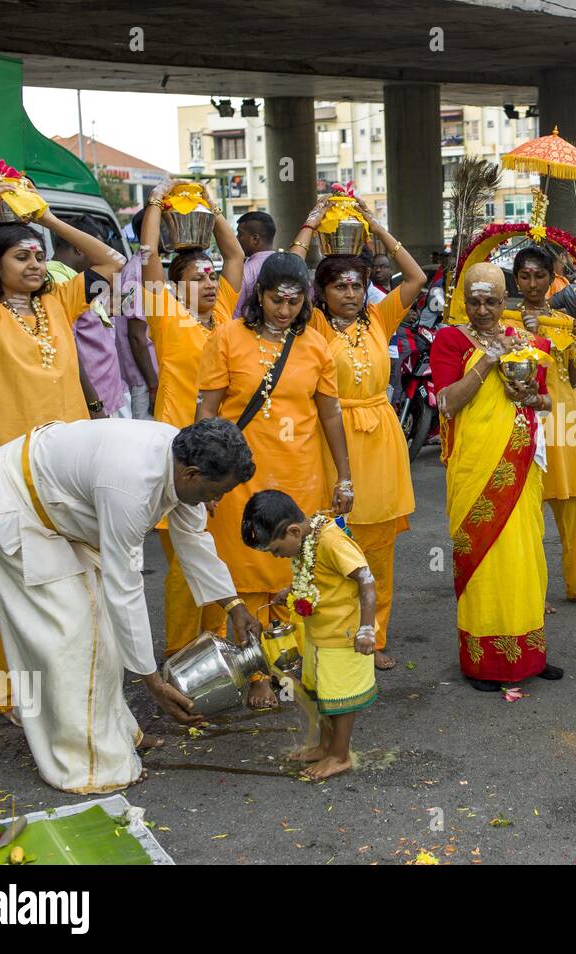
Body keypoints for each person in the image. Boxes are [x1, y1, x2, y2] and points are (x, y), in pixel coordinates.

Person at [0, 417, 262, 792]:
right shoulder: (132, 486)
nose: (218, 500)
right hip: (16, 505)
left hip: (61, 512)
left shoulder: (180, 460)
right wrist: (152, 682)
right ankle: (81, 766)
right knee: (72, 640)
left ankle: (113, 737)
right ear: (192, 474)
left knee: (103, 630)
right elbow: (125, 586)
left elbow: (194, 540)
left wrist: (235, 606)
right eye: (219, 490)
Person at [0, 175, 126, 717]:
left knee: (74, 569)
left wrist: (43, 218)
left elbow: (111, 260)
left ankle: (74, 681)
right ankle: (13, 692)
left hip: (68, 466)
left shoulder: (62, 303)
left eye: (39, 256)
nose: (36, 264)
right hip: (9, 467)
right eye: (21, 256)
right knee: (10, 579)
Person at [196, 251, 354, 708]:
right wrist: (206, 478)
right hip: (237, 477)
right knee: (244, 572)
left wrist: (344, 476)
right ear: (258, 295)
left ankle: (289, 663)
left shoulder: (315, 345)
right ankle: (255, 675)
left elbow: (330, 414)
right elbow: (207, 411)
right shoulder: (226, 338)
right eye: (275, 301)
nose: (283, 311)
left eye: (293, 302)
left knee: (293, 572)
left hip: (297, 475)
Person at [293, 194, 427, 670]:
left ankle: (375, 633)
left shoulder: (377, 317)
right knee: (334, 536)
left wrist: (376, 225)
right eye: (340, 286)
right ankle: (332, 628)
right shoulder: (308, 325)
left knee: (381, 544)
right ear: (322, 291)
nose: (350, 293)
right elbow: (289, 274)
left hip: (382, 434)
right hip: (335, 437)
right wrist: (309, 227)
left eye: (357, 285)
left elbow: (417, 278)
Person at [432, 262, 563, 691]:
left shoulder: (524, 343)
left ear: (504, 301)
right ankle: (484, 662)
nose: (483, 309)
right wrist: (487, 361)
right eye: (475, 301)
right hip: (477, 467)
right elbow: (448, 403)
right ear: (463, 302)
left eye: (492, 301)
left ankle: (531, 651)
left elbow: (545, 400)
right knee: (486, 561)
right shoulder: (451, 339)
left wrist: (531, 393)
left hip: (521, 465)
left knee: (527, 556)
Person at [135, 178, 245, 656]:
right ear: (175, 285)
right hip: (178, 456)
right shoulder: (166, 314)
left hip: (222, 453)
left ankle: (216, 644)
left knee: (217, 555)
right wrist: (157, 204)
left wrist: (211, 207)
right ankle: (181, 651)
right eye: (197, 277)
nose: (207, 283)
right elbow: (147, 258)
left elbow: (236, 256)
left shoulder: (223, 316)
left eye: (209, 276)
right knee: (184, 562)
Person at [244, 490, 378, 781]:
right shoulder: (308, 539)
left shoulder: (331, 541)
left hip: (344, 636)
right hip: (319, 635)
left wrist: (367, 629)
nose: (278, 556)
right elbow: (322, 579)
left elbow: (366, 579)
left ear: (293, 531)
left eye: (277, 550)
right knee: (324, 696)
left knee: (342, 699)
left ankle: (339, 756)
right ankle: (325, 746)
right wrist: (292, 592)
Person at [510, 244, 576, 610]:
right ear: (516, 280)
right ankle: (531, 587)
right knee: (528, 505)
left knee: (574, 502)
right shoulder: (505, 321)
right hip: (528, 414)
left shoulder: (565, 320)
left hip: (566, 413)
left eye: (539, 275)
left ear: (553, 280)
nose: (532, 283)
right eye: (525, 276)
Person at [50, 220, 130, 419]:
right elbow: (69, 349)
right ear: (80, 248)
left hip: (105, 397)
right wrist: (94, 405)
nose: (103, 253)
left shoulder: (75, 277)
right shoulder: (57, 279)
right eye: (99, 248)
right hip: (91, 404)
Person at [116, 207, 160, 421]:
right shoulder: (137, 271)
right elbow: (137, 336)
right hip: (143, 381)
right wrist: (153, 386)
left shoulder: (146, 268)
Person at [233, 210, 276, 318]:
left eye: (240, 233)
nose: (236, 238)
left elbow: (234, 313)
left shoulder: (244, 271)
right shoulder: (288, 264)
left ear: (255, 239)